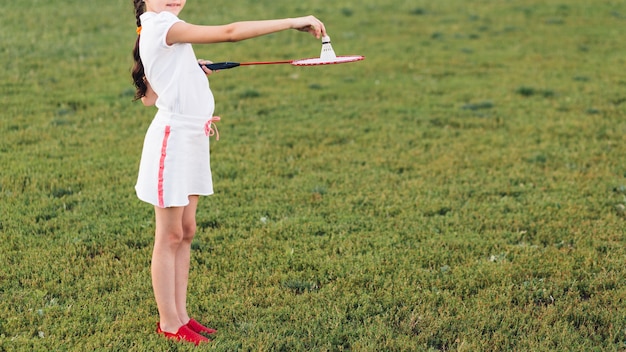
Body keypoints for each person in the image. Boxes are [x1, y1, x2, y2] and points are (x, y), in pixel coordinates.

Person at [130, 0, 326, 345]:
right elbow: (230, 33)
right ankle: (168, 322)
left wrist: (189, 70)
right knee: (169, 236)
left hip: (192, 139)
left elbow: (149, 96)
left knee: (186, 231)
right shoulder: (161, 26)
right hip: (171, 145)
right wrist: (294, 21)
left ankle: (183, 316)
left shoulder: (162, 28)